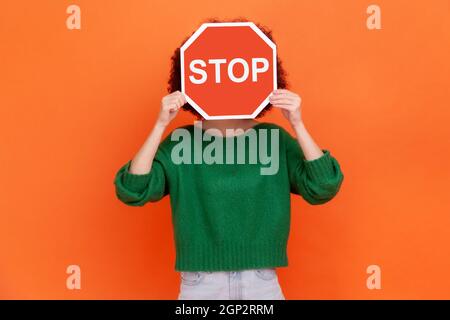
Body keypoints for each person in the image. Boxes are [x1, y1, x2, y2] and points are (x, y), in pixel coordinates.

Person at [114, 21, 344, 300]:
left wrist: (297, 123)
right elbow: (132, 189)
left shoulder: (275, 139)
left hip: (262, 281)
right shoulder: (181, 141)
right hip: (200, 283)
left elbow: (324, 186)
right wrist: (160, 124)